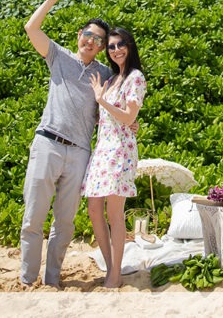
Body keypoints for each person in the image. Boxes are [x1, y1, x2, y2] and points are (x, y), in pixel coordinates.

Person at [20, 0, 113, 288]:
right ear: (79, 35)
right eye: (88, 35)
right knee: (33, 217)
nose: (91, 41)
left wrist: (131, 122)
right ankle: (27, 280)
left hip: (80, 153)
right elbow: (31, 27)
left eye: (98, 40)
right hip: (47, 142)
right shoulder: (59, 56)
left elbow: (116, 107)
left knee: (65, 223)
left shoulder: (105, 74)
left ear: (101, 47)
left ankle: (52, 280)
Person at [81, 27, 147, 288]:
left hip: (120, 151)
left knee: (114, 213)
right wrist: (104, 105)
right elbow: (113, 118)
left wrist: (102, 101)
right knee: (94, 209)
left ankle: (115, 274)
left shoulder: (135, 77)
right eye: (111, 46)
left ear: (129, 46)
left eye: (121, 44)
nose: (116, 50)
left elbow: (129, 116)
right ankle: (111, 267)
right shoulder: (110, 79)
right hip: (102, 149)